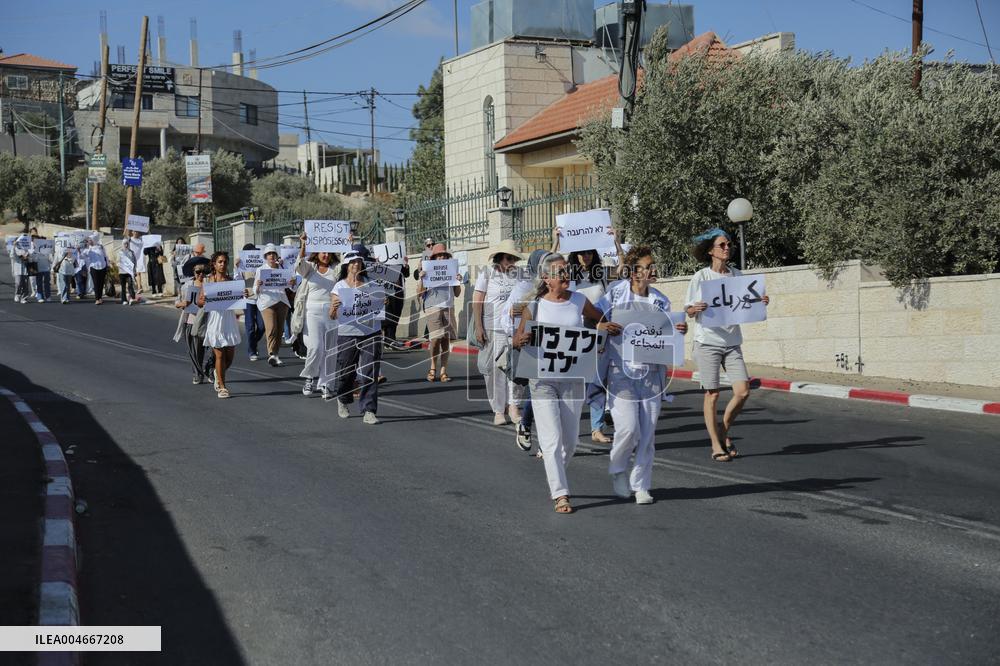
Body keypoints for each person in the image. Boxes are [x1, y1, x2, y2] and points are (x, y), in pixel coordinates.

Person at [511, 252, 621, 514]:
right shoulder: (535, 307)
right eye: (560, 272)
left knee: (570, 441)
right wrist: (521, 340)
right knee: (551, 438)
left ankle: (554, 468)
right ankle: (561, 494)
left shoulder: (579, 301)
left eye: (567, 270)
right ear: (547, 279)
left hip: (572, 378)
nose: (566, 275)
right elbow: (516, 339)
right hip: (542, 380)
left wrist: (602, 331)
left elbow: (598, 320)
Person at [596, 246, 687, 505]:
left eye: (653, 265)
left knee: (647, 433)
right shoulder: (615, 294)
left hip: (652, 374)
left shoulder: (660, 300)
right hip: (620, 371)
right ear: (634, 272)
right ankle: (617, 470)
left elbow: (668, 333)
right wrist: (603, 325)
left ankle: (642, 486)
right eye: (647, 266)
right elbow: (594, 319)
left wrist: (679, 329)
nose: (652, 270)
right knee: (627, 428)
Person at [684, 228, 770, 462]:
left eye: (729, 244)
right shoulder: (701, 277)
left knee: (742, 392)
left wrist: (760, 301)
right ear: (711, 251)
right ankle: (715, 443)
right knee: (712, 394)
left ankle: (722, 430)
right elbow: (688, 310)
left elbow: (748, 302)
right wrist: (695, 309)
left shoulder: (737, 275)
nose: (727, 248)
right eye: (722, 245)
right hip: (707, 342)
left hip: (732, 342)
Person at [551, 226, 625, 444]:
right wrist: (555, 240)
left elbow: (622, 268)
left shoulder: (601, 275)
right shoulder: (568, 276)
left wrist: (617, 242)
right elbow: (549, 269)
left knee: (598, 380)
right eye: (582, 252)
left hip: (598, 332)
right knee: (570, 382)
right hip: (573, 333)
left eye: (590, 252)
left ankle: (596, 427)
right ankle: (558, 426)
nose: (586, 256)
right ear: (576, 254)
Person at [473, 239, 523, 425]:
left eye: (514, 258)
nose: (511, 261)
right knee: (495, 372)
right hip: (493, 328)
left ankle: (514, 406)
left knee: (516, 369)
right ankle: (498, 410)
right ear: (500, 258)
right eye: (508, 258)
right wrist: (479, 326)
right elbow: (477, 301)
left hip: (515, 328)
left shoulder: (519, 274)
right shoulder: (487, 273)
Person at [333, 250, 383, 424]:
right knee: (347, 371)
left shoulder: (371, 284)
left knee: (370, 371)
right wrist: (334, 307)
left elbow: (380, 304)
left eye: (359, 262)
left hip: (371, 332)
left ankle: (369, 410)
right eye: (353, 262)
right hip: (348, 333)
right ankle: (343, 398)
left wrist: (384, 301)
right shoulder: (339, 287)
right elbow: (333, 315)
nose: (356, 265)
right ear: (347, 265)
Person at [292, 232, 341, 399]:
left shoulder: (336, 269)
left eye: (328, 252)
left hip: (332, 313)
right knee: (315, 347)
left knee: (330, 350)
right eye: (323, 252)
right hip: (311, 313)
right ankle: (309, 377)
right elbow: (299, 266)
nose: (326, 255)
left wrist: (348, 243)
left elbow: (346, 270)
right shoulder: (310, 268)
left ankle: (326, 384)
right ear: (317, 253)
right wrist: (303, 244)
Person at [198, 252, 241, 399]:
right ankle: (222, 386)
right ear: (214, 264)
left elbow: (238, 298)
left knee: (229, 357)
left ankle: (217, 373)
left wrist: (244, 295)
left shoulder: (231, 281)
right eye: (220, 262)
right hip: (215, 320)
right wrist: (204, 300)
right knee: (220, 355)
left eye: (224, 262)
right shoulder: (209, 282)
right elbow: (199, 302)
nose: (222, 264)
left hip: (228, 320)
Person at [417, 243, 462, 382]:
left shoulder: (451, 270)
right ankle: (432, 367)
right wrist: (422, 279)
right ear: (434, 258)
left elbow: (457, 294)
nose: (442, 257)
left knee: (445, 340)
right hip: (432, 306)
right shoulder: (427, 271)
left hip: (448, 306)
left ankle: (443, 370)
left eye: (444, 255)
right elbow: (419, 293)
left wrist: (458, 281)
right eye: (439, 255)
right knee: (435, 339)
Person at [254, 243, 294, 366]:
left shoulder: (283, 269)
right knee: (271, 328)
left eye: (273, 253)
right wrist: (258, 285)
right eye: (269, 254)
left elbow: (291, 288)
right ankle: (271, 353)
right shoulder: (260, 270)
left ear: (276, 255)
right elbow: (255, 289)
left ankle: (275, 355)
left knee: (279, 329)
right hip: (267, 302)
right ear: (266, 256)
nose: (271, 256)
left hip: (281, 301)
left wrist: (292, 283)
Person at [173, 264, 213, 384]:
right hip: (191, 321)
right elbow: (176, 302)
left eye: (203, 271)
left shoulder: (209, 285)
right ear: (193, 272)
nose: (201, 274)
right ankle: (197, 374)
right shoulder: (187, 286)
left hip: (207, 321)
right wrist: (183, 304)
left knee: (212, 349)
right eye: (198, 271)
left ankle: (209, 370)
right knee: (194, 351)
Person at [237, 243, 266, 362]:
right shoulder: (241, 266)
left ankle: (253, 343)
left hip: (260, 298)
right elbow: (237, 280)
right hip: (248, 299)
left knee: (262, 326)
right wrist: (237, 267)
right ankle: (252, 351)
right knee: (250, 327)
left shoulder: (262, 265)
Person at [381, 255, 411, 349]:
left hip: (398, 292)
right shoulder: (383, 264)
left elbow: (406, 274)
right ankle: (390, 340)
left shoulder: (400, 264)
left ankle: (388, 340)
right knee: (389, 317)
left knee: (396, 316)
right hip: (388, 293)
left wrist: (406, 265)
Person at [86, 238, 109, 305]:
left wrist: (108, 265)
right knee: (96, 283)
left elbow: (105, 256)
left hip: (102, 267)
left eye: (90, 240)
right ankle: (97, 299)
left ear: (93, 240)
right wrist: (80, 250)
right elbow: (82, 257)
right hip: (93, 267)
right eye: (88, 240)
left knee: (101, 283)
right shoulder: (88, 248)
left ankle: (100, 298)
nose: (89, 241)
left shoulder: (100, 247)